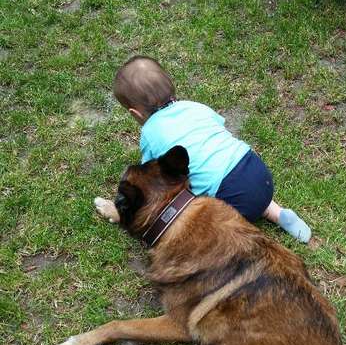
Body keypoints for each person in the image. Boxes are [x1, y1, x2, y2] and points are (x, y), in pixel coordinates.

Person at [106, 55, 311, 243]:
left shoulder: (150, 133)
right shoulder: (194, 106)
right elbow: (219, 126)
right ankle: (277, 213)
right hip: (256, 171)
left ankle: (242, 226)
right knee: (249, 193)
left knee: (202, 219)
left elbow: (152, 180)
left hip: (227, 194)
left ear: (135, 113)